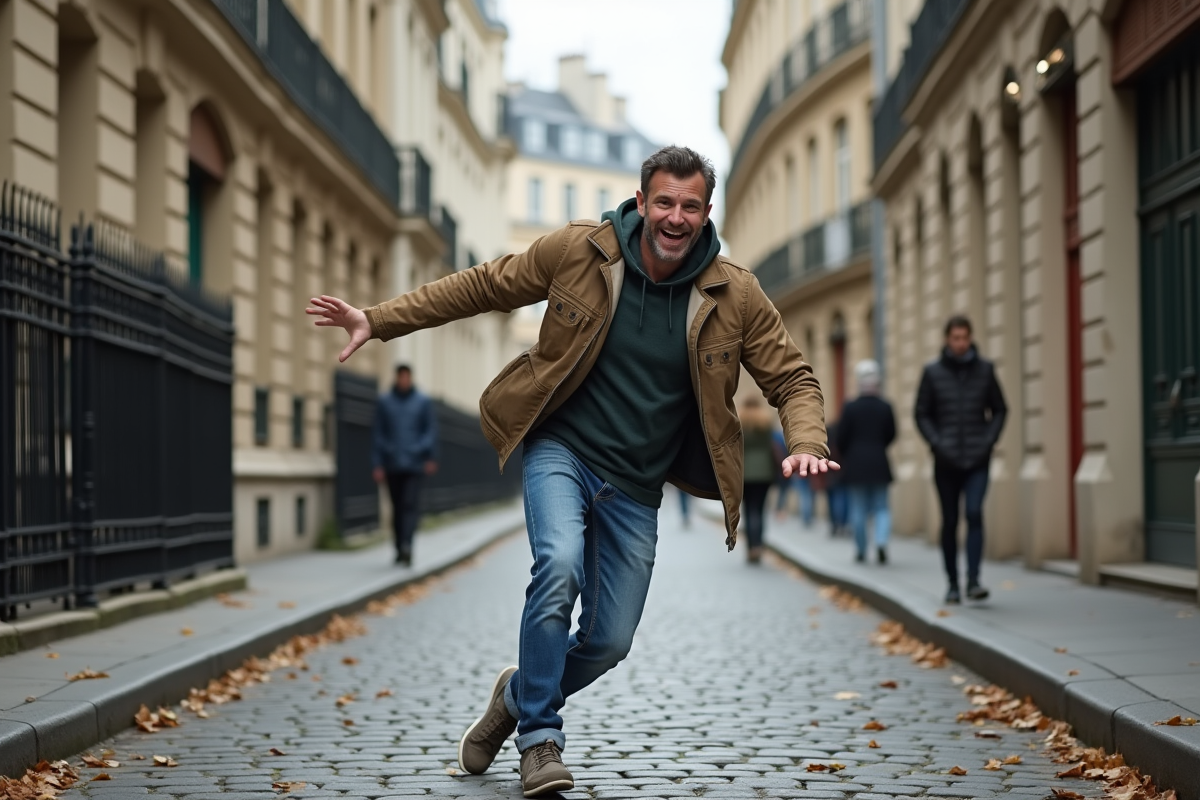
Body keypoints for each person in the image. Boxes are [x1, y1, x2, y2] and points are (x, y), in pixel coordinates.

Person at [307, 146, 837, 798]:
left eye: (690, 206)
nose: (675, 217)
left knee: (609, 640)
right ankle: (539, 740)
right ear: (641, 203)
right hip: (562, 449)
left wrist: (806, 438)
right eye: (664, 202)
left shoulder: (735, 293)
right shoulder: (580, 251)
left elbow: (793, 377)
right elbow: (483, 285)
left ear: (706, 213)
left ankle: (516, 697)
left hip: (636, 486)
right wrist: (378, 320)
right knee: (557, 565)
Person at [914, 314, 1007, 604]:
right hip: (946, 461)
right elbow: (921, 413)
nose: (961, 343)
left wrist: (989, 440)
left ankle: (974, 580)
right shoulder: (932, 372)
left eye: (965, 337)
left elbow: (1000, 409)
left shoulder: (985, 369)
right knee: (951, 520)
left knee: (975, 514)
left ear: (970, 338)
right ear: (947, 340)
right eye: (956, 338)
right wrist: (937, 442)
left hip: (978, 459)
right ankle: (953, 583)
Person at [371, 364, 438, 566]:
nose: (404, 380)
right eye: (401, 377)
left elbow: (430, 431)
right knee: (397, 507)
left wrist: (427, 454)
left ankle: (408, 545)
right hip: (392, 464)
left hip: (414, 464)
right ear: (397, 378)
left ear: (410, 378)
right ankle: (399, 546)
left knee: (410, 505)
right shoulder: (385, 402)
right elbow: (378, 434)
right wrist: (377, 463)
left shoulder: (422, 402)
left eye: (406, 377)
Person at [836, 360, 896, 564]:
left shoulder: (850, 407)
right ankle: (881, 541)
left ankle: (861, 549)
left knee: (858, 508)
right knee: (882, 507)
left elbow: (841, 437)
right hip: (879, 461)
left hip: (856, 463)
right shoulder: (885, 407)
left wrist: (850, 453)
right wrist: (878, 446)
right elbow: (892, 434)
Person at [739, 397, 777, 564]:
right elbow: (771, 445)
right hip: (764, 471)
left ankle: (750, 548)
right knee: (760, 510)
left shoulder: (739, 421)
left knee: (748, 510)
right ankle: (758, 545)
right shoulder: (766, 421)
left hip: (744, 472)